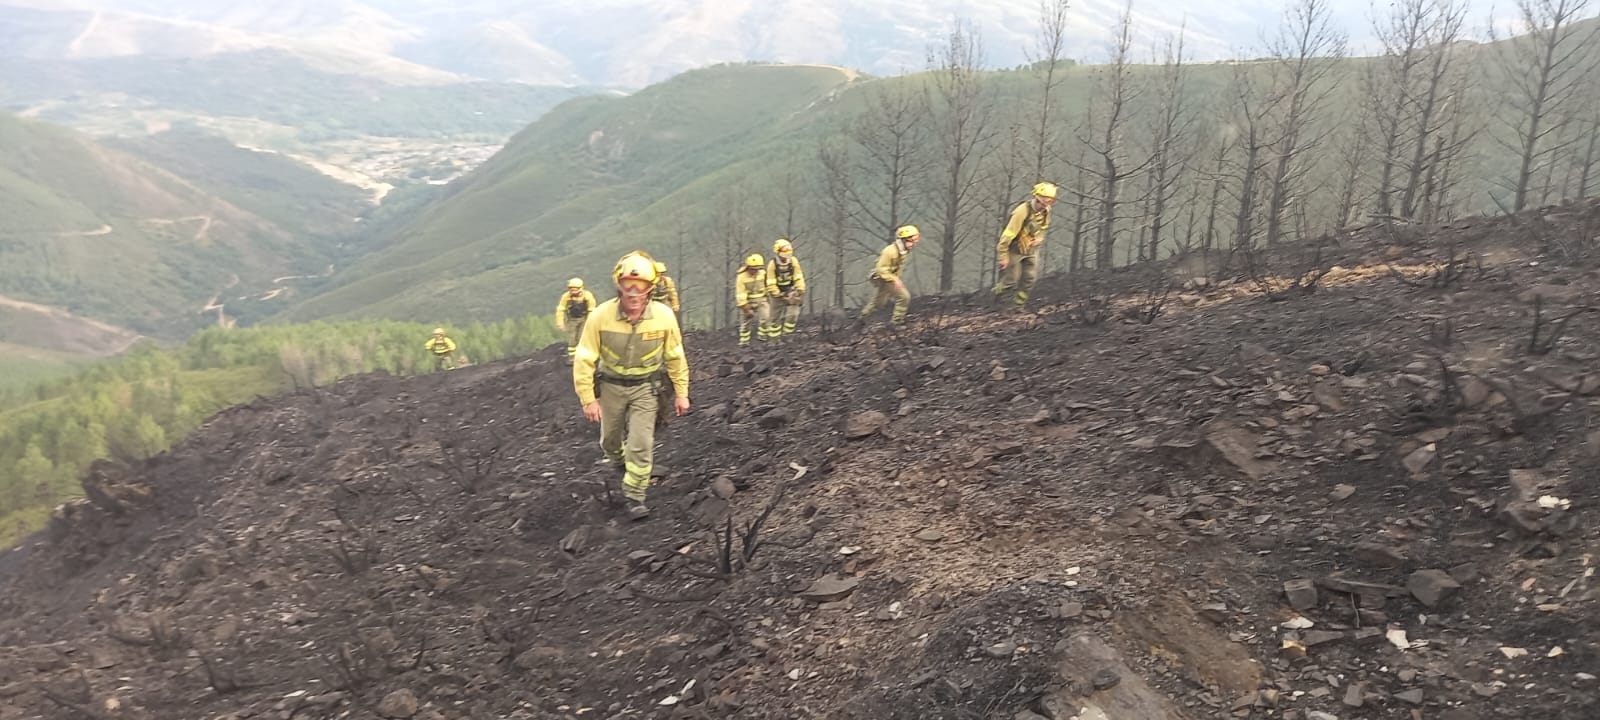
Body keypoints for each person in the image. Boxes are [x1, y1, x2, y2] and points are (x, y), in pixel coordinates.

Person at [572, 252, 691, 520]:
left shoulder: (663, 317)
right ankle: (617, 461)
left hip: (646, 388)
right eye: (628, 285)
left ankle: (635, 495)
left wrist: (681, 393)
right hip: (612, 387)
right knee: (610, 440)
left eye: (640, 286)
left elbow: (675, 357)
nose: (634, 293)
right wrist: (588, 399)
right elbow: (584, 358)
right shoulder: (601, 316)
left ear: (650, 288)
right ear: (619, 285)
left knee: (641, 443)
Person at [993, 182, 1057, 308]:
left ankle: (1018, 306)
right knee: (1011, 280)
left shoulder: (1046, 211)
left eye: (1050, 201)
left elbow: (1044, 227)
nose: (1046, 204)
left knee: (1030, 278)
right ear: (1037, 198)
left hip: (1031, 249)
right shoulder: (1021, 211)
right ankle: (998, 297)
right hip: (1015, 249)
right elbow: (1008, 234)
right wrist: (1003, 256)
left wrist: (1039, 239)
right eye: (1045, 201)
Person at [860, 225, 920, 326]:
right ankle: (896, 322)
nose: (913, 244)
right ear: (904, 240)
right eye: (911, 240)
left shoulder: (903, 251)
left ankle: (862, 318)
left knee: (879, 302)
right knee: (904, 297)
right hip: (883, 277)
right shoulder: (890, 251)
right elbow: (881, 269)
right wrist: (895, 280)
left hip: (889, 277)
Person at [765, 238, 807, 337]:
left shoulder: (793, 261)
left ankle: (787, 334)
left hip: (790, 290)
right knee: (774, 318)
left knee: (793, 314)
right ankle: (774, 339)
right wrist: (779, 294)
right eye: (784, 251)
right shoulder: (772, 264)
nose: (787, 255)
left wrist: (800, 290)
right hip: (776, 293)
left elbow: (798, 277)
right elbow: (770, 283)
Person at [556, 278, 598, 363]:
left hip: (584, 319)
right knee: (572, 338)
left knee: (582, 337)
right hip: (572, 320)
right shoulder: (566, 297)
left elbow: (591, 309)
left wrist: (590, 322)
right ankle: (572, 358)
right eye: (571, 289)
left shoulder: (587, 296)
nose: (573, 292)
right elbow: (561, 309)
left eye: (575, 290)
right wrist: (560, 322)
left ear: (581, 288)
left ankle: (584, 356)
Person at [734, 253, 771, 346]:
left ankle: (763, 336)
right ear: (748, 267)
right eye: (753, 269)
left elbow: (768, 286)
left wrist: (770, 297)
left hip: (762, 300)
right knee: (746, 323)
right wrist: (746, 308)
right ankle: (744, 342)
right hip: (748, 302)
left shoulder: (763, 274)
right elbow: (740, 294)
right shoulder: (741, 277)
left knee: (766, 318)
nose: (755, 271)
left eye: (757, 269)